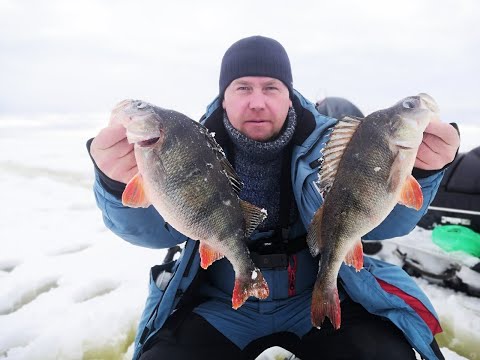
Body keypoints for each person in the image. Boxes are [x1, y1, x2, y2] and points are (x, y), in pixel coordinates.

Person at [87, 36, 460, 360]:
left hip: (312, 289)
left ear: (289, 94)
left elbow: (388, 222)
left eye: (271, 87)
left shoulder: (336, 144)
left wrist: (424, 173)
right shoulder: (188, 146)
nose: (257, 102)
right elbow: (154, 233)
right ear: (224, 95)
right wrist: (115, 185)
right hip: (220, 300)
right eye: (242, 87)